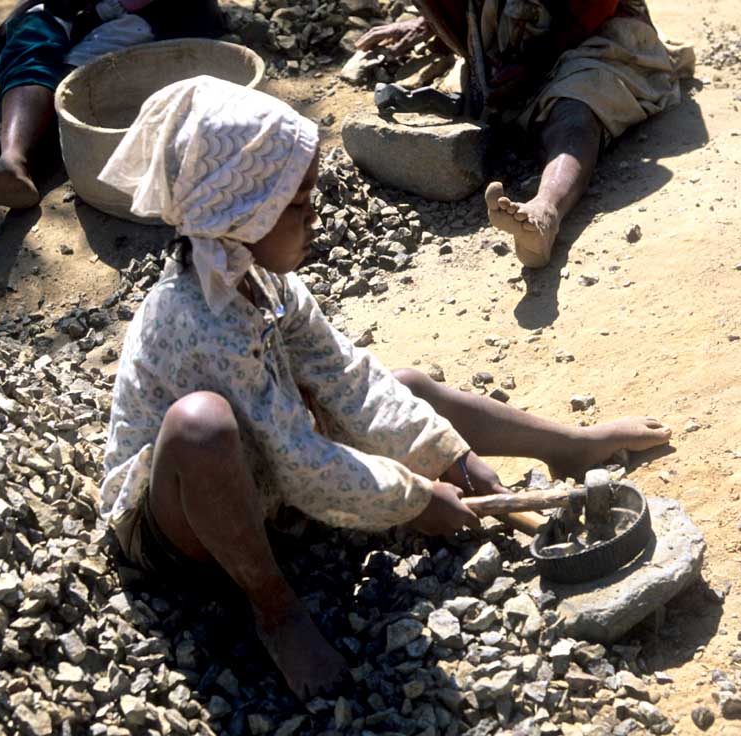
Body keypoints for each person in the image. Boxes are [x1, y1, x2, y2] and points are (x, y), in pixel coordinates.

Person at [96, 75, 672, 699]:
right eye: (297, 205)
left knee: (407, 386)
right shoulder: (194, 317)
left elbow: (352, 380)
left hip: (269, 473)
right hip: (185, 524)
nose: (315, 218)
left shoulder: (264, 279)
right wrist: (414, 499)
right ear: (245, 211)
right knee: (201, 425)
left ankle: (565, 445)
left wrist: (453, 459)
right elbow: (294, 458)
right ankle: (274, 608)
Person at [357, 0, 683, 268]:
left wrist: (535, 61)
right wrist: (431, 23)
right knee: (493, 102)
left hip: (595, 37)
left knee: (574, 111)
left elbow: (595, 8)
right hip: (511, 48)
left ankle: (544, 213)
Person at [0, 0, 224, 209]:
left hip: (161, 15)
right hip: (83, 8)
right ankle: (7, 161)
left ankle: (4, 157)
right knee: (33, 34)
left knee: (76, 80)